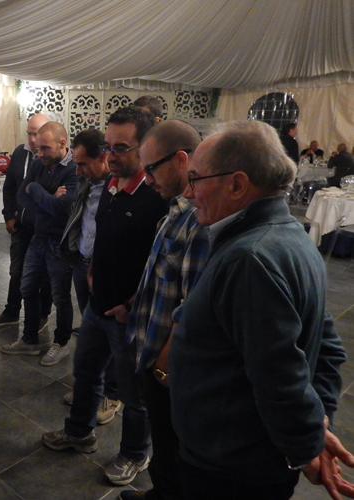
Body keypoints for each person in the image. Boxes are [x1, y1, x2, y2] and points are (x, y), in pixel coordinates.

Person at [171, 119, 351, 500]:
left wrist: (306, 444)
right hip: (243, 459)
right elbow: (327, 349)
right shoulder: (290, 235)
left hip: (229, 469)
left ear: (237, 184)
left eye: (195, 179)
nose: (188, 192)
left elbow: (280, 379)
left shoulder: (249, 258)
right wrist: (316, 430)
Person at [42, 106, 168, 486]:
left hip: (129, 316)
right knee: (85, 373)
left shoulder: (156, 197)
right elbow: (104, 236)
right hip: (98, 308)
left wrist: (130, 305)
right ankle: (79, 433)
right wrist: (93, 268)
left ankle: (135, 454)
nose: (110, 155)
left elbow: (163, 267)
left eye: (121, 148)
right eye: (108, 147)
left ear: (145, 147)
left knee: (134, 394)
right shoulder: (111, 185)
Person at [119, 120, 209, 500]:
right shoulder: (176, 208)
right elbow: (163, 277)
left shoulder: (199, 219)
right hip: (153, 351)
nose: (147, 178)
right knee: (163, 446)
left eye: (152, 168)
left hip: (168, 366)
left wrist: (162, 367)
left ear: (181, 160)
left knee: (173, 451)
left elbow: (192, 307)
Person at [0, 122, 78, 366]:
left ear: (62, 144)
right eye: (38, 148)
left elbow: (62, 208)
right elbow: (21, 197)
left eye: (45, 148)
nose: (40, 152)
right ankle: (30, 339)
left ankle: (61, 343)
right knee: (28, 288)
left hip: (60, 244)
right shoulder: (38, 164)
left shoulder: (73, 170)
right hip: (38, 238)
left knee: (60, 297)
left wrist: (35, 188)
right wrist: (46, 196)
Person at [60, 128, 120, 425]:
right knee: (92, 333)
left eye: (83, 164)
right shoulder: (86, 182)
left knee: (111, 335)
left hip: (106, 272)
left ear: (103, 156)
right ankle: (91, 390)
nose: (78, 171)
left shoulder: (119, 187)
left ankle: (112, 393)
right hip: (83, 266)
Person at [0, 113, 52, 330]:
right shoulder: (20, 153)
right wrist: (9, 215)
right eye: (29, 134)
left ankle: (42, 315)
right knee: (16, 270)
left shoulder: (52, 156)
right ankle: (11, 311)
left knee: (44, 274)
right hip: (21, 225)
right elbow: (10, 187)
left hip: (43, 228)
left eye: (36, 134)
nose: (32, 139)